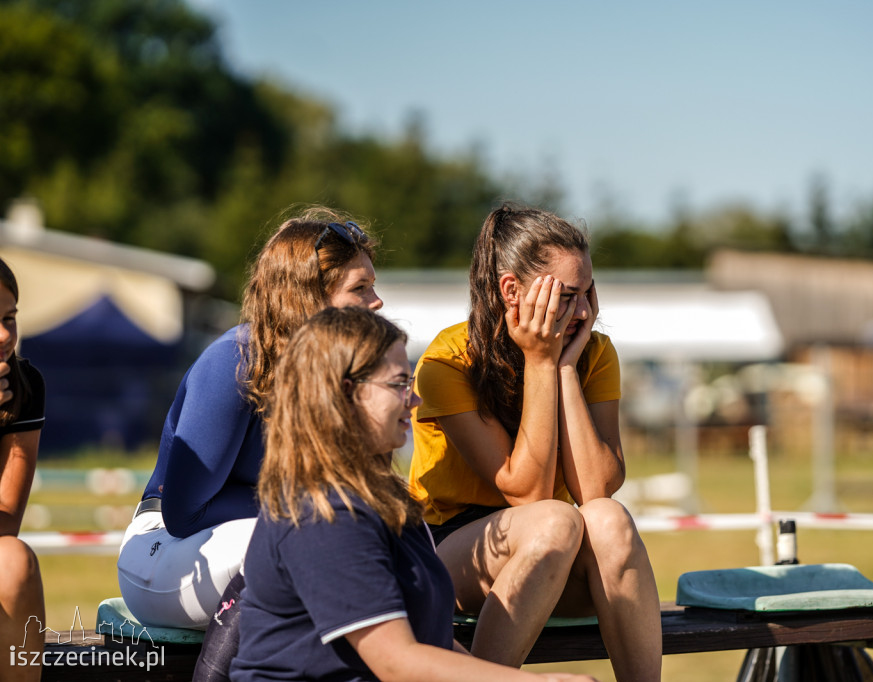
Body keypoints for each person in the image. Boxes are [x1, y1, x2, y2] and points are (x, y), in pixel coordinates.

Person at [231, 306, 596, 682]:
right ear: (345, 393)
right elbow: (396, 662)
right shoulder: (325, 514)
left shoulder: (377, 501)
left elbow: (429, 642)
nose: (415, 399)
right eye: (399, 384)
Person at [408, 203, 662, 681]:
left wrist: (565, 366)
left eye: (588, 293)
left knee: (608, 518)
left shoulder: (594, 354)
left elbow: (596, 490)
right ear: (511, 290)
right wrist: (540, 362)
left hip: (554, 547)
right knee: (554, 520)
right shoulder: (447, 362)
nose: (584, 311)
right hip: (453, 554)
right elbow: (527, 494)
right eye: (567, 295)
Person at [117, 208, 384, 632]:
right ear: (308, 296)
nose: (377, 301)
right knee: (295, 546)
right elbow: (184, 513)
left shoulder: (350, 376)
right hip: (164, 547)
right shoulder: (234, 360)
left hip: (279, 537)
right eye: (361, 287)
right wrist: (317, 505)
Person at [0, 258, 46, 682]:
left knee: (15, 560)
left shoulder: (24, 386)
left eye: (9, 319)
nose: (2, 335)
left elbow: (6, 522)